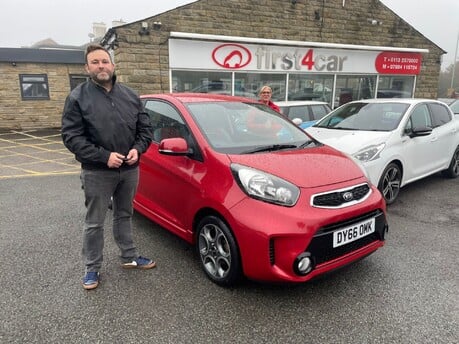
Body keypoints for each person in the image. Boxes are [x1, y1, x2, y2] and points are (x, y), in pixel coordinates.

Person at [62, 44, 155, 290]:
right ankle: (92, 268)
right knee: (95, 221)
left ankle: (129, 256)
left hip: (129, 169)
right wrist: (104, 157)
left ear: (113, 65)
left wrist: (138, 148)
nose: (101, 66)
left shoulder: (131, 96)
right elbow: (72, 137)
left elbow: (145, 130)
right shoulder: (77, 98)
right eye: (95, 62)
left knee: (125, 214)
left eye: (105, 61)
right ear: (87, 67)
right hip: (97, 171)